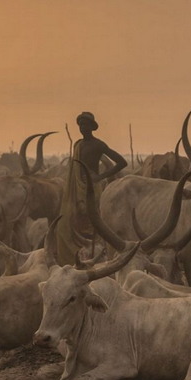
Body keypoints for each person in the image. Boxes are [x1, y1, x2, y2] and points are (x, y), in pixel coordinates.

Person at [56, 111, 128, 265]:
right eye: (81, 124)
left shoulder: (98, 144)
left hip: (92, 189)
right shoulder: (77, 145)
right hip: (77, 188)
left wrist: (101, 176)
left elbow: (122, 162)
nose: (83, 127)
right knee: (71, 222)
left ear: (92, 127)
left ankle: (96, 258)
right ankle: (74, 259)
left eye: (86, 124)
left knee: (91, 222)